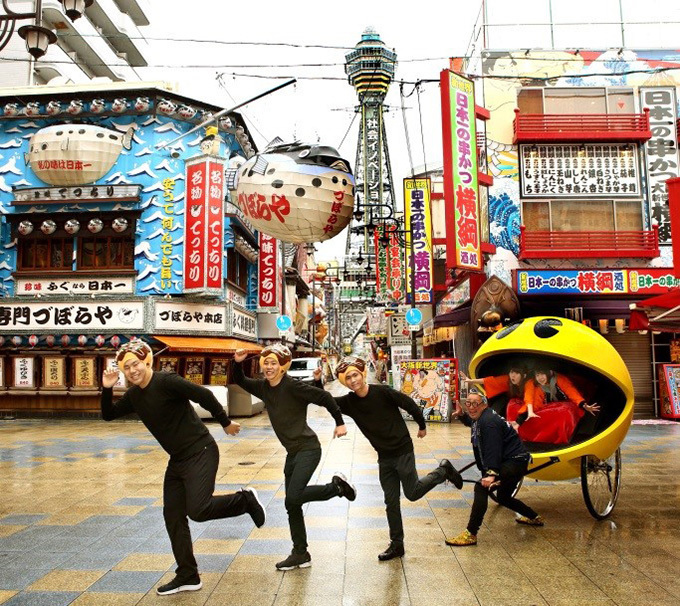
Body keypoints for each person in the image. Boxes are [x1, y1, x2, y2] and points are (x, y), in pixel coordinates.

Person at [100, 339, 266, 596]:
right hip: (177, 460)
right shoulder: (134, 395)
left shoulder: (166, 381)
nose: (132, 371)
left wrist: (225, 422)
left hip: (201, 450)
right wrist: (107, 389)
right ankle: (188, 574)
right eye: (126, 368)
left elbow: (205, 395)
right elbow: (108, 414)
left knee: (198, 510)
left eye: (135, 364)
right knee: (173, 516)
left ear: (146, 361)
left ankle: (244, 500)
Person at [315, 356, 462, 561]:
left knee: (412, 493)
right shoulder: (349, 402)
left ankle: (443, 471)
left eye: (355, 374)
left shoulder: (382, 392)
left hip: (402, 450)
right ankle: (397, 544)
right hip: (384, 457)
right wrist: (316, 382)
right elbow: (324, 400)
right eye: (348, 377)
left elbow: (408, 403)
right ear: (343, 381)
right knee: (391, 502)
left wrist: (421, 425)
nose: (353, 380)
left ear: (363, 373)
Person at [233, 344, 355, 571]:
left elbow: (325, 397)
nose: (269, 367)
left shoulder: (295, 387)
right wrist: (237, 362)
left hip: (308, 449)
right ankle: (300, 553)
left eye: (274, 363)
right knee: (293, 505)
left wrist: (339, 423)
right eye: (266, 363)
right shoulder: (264, 388)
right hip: (293, 453)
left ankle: (337, 489)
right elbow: (239, 380)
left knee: (293, 497)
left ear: (283, 366)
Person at [446, 389, 543, 547]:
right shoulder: (483, 417)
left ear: (484, 404)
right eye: (468, 403)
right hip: (515, 461)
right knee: (504, 497)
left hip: (513, 463)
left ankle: (471, 533)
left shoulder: (489, 422)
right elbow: (473, 422)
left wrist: (491, 473)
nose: (471, 407)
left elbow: (493, 449)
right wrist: (462, 415)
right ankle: (534, 516)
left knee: (481, 488)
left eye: (475, 403)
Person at [509, 366, 600, 444]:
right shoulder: (534, 385)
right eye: (537, 375)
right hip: (550, 405)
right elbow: (531, 400)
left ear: (549, 373)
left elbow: (572, 393)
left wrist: (583, 405)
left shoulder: (560, 379)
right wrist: (520, 420)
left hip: (570, 401)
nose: (540, 378)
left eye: (542, 374)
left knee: (565, 411)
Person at [461, 366, 531, 418]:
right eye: (512, 372)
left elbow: (529, 398)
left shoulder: (529, 383)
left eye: (517, 373)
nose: (513, 375)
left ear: (524, 375)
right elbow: (490, 381)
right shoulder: (508, 380)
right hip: (512, 406)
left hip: (529, 408)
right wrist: (471, 381)